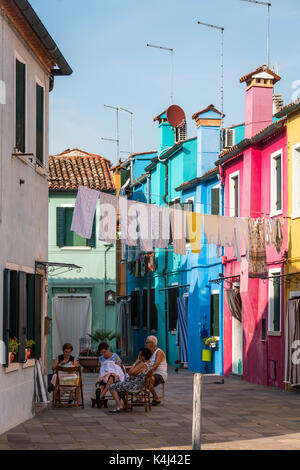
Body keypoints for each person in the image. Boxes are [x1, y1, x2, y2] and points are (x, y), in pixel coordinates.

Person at [108, 347, 152, 413]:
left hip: (135, 386)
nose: (139, 357)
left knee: (111, 387)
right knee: (118, 385)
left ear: (143, 356)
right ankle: (126, 405)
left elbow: (130, 372)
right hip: (137, 384)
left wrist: (136, 362)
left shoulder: (143, 364)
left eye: (140, 355)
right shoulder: (149, 363)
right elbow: (133, 374)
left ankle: (119, 405)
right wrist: (133, 374)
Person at [145, 335, 168, 406]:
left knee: (148, 379)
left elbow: (155, 365)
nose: (145, 344)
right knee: (139, 378)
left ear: (151, 344)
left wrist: (147, 373)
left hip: (160, 374)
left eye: (146, 342)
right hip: (150, 373)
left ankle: (156, 398)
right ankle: (140, 398)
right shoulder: (147, 352)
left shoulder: (159, 352)